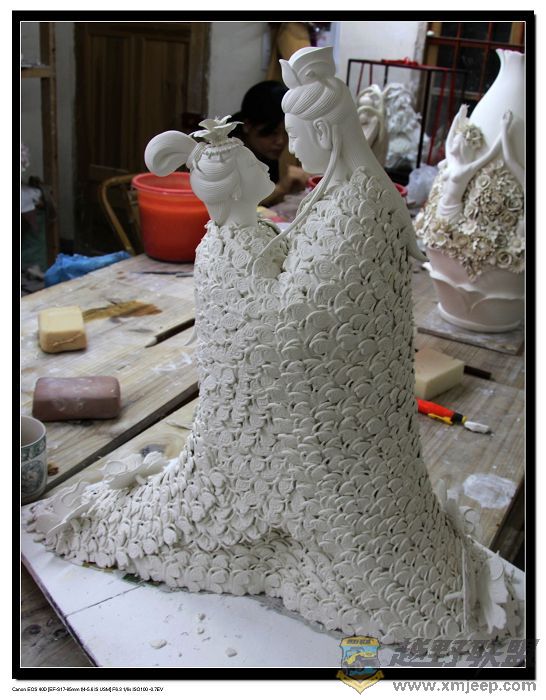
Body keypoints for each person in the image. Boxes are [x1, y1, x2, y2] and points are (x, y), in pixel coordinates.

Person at [231, 81, 308, 207]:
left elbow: (264, 204)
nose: (281, 141)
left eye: (286, 133)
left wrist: (288, 189)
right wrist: (281, 188)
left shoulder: (265, 152)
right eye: (272, 132)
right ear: (248, 126)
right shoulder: (224, 152)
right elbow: (232, 206)